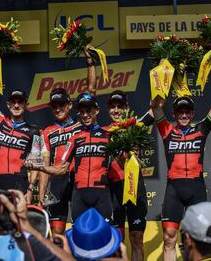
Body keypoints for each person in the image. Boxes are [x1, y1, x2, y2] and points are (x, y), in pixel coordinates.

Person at [151, 76, 211, 260]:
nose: (184, 115)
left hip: (196, 188)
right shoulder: (167, 130)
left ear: (192, 114)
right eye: (180, 112)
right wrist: (165, 73)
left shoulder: (201, 129)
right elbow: (156, 107)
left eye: (187, 112)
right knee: (169, 239)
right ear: (174, 114)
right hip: (174, 189)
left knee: (198, 239)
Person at [26, 93, 112, 221]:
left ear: (97, 110)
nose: (85, 115)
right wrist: (38, 167)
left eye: (88, 111)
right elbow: (60, 168)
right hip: (74, 191)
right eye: (82, 112)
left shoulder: (108, 134)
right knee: (77, 235)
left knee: (104, 236)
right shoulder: (71, 138)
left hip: (100, 191)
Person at [38, 47, 96, 235]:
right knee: (57, 234)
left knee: (83, 229)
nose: (57, 109)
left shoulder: (81, 123)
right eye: (54, 106)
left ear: (70, 105)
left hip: (79, 180)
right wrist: (41, 195)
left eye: (61, 105)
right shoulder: (47, 132)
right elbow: (44, 165)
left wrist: (89, 61)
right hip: (57, 182)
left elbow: (91, 92)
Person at [0, 48, 41, 200]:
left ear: (26, 105)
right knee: (0, 223)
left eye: (21, 102)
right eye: (13, 102)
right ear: (8, 105)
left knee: (19, 223)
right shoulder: (1, 122)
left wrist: (31, 189)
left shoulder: (33, 131)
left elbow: (37, 163)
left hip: (21, 183)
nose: (17, 105)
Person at [104, 90, 154, 261]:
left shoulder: (136, 125)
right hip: (114, 190)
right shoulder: (103, 132)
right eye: (112, 107)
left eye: (120, 106)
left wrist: (161, 83)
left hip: (135, 187)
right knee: (116, 240)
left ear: (127, 108)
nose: (116, 110)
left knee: (137, 238)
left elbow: (154, 111)